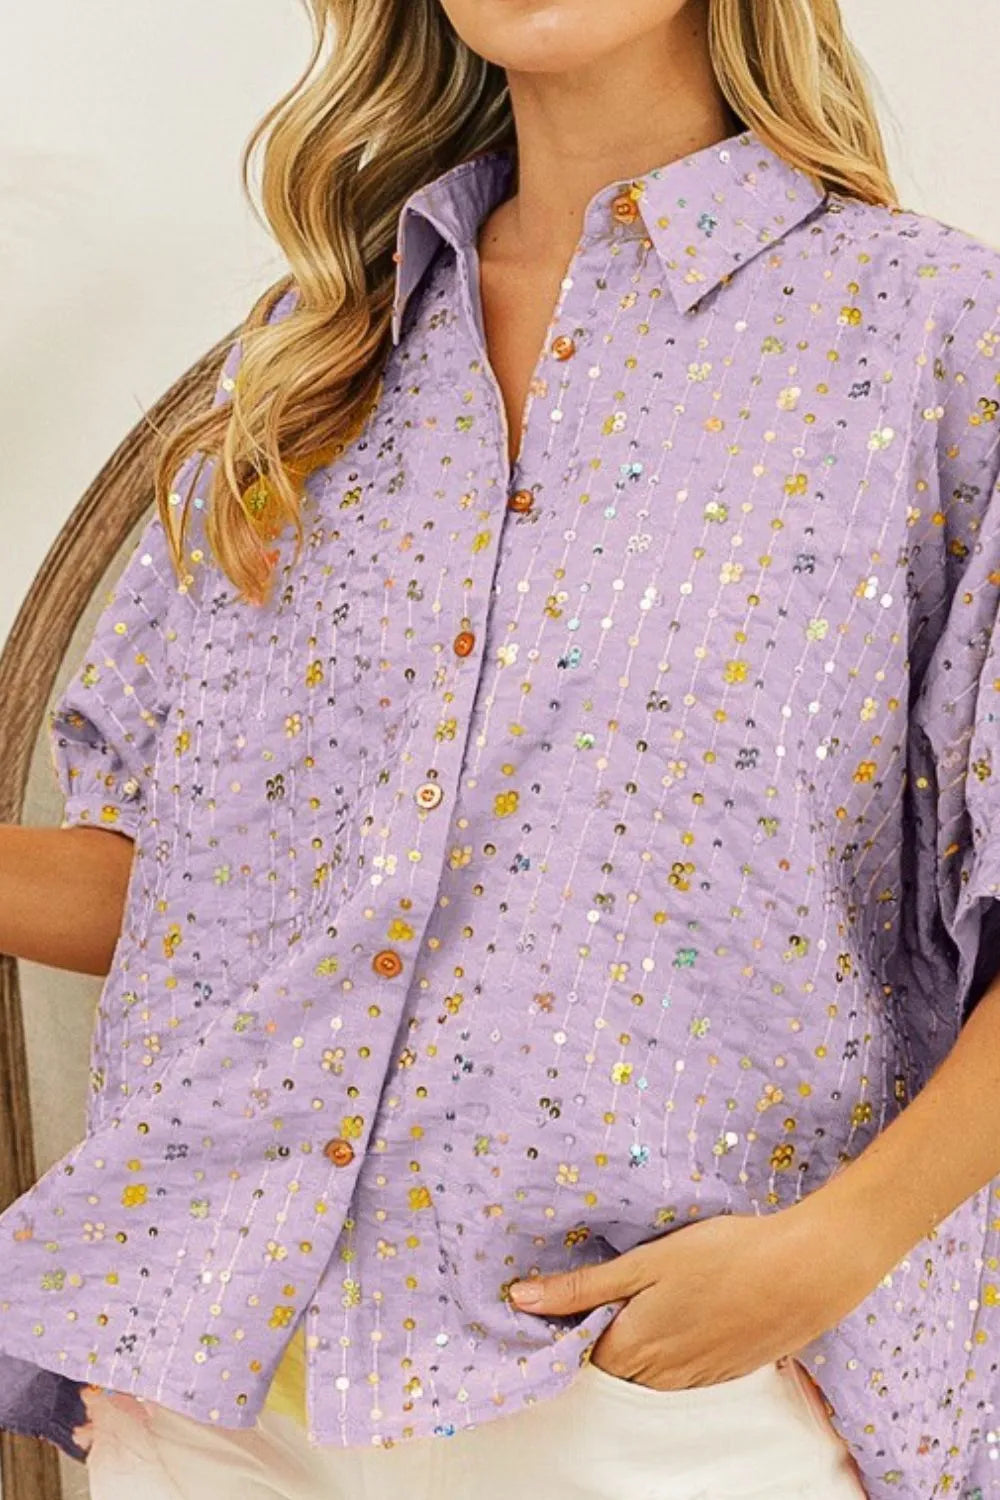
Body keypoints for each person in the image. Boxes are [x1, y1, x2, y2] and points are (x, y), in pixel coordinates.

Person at [2, 0, 1000, 1495]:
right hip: (225, 1397)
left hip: (650, 1398)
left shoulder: (929, 334)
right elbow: (208, 908)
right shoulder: (307, 361)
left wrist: (834, 1249)